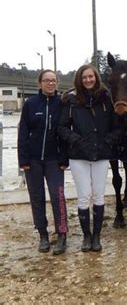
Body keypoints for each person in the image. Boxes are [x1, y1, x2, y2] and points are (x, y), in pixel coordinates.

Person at [58, 64, 122, 252]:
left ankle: (97, 236)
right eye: (84, 77)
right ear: (80, 79)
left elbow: (117, 126)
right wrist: (76, 140)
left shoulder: (107, 99)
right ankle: (86, 236)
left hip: (101, 154)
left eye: (91, 77)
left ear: (96, 78)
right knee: (84, 196)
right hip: (79, 156)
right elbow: (62, 127)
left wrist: (109, 141)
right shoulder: (71, 101)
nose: (88, 80)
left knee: (99, 195)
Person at [18, 70, 68, 255]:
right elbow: (23, 132)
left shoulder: (62, 104)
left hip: (54, 160)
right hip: (33, 160)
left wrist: (64, 158)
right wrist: (23, 160)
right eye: (46, 80)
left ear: (57, 83)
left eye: (53, 80)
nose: (50, 83)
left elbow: (64, 133)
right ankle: (43, 235)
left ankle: (62, 234)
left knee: (58, 196)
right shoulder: (30, 104)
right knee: (37, 197)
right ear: (39, 83)